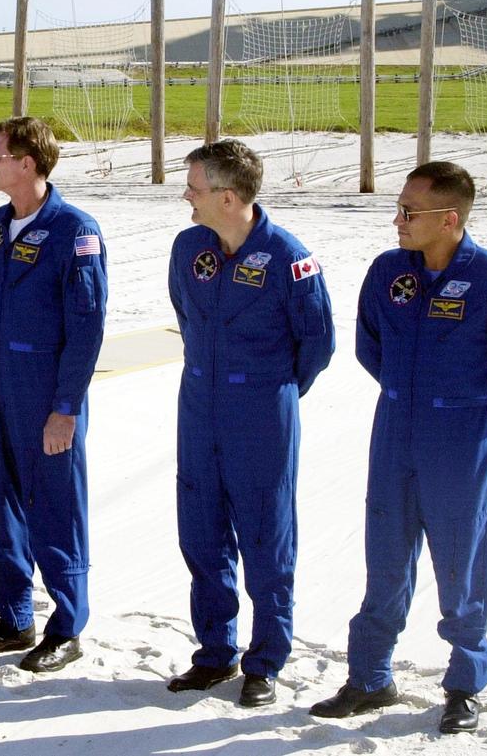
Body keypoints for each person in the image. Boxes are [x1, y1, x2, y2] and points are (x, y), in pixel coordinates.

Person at [309, 161, 487, 734]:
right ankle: (370, 677)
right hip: (395, 427)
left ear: (449, 219)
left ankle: (464, 683)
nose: (398, 221)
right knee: (384, 556)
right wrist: (407, 395)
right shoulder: (389, 272)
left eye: (409, 212)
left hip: (460, 438)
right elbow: (369, 345)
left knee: (459, 565)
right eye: (399, 208)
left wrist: (475, 417)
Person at [166, 139, 335, 706]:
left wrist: (269, 390)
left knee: (267, 539)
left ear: (228, 196)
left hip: (261, 416)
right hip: (199, 409)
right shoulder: (190, 248)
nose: (186, 195)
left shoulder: (289, 258)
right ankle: (215, 653)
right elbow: (186, 315)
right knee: (202, 535)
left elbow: (317, 345)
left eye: (194, 186)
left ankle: (265, 659)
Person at [0, 116, 108, 673]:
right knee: (5, 508)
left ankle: (66, 626)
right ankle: (14, 618)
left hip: (47, 394)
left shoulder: (75, 230)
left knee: (57, 512)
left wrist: (65, 410)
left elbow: (87, 329)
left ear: (28, 163)